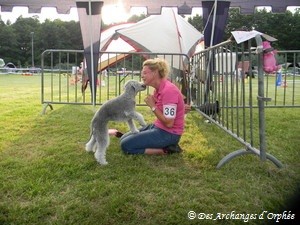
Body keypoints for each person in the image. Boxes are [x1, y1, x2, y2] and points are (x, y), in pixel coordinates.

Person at [113, 58, 188, 155]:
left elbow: (169, 123)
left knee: (126, 145)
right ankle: (159, 144)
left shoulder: (169, 91)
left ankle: (167, 150)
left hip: (169, 133)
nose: (142, 76)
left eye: (145, 73)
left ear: (155, 73)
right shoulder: (158, 89)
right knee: (123, 138)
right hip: (158, 126)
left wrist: (153, 106)